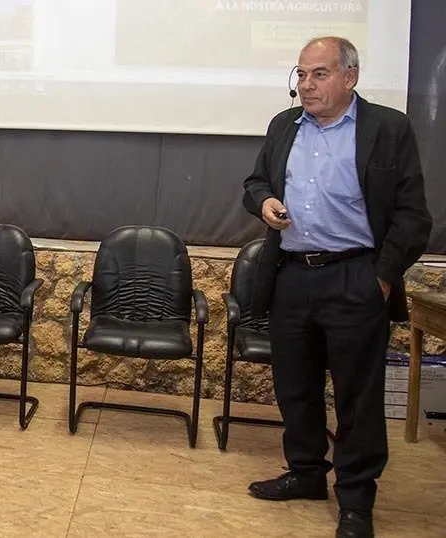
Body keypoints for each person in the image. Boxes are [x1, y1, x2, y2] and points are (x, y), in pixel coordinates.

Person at [242, 37, 431, 538]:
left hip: (356, 275)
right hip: (292, 276)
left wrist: (383, 276)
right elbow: (255, 182)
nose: (307, 85)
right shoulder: (284, 126)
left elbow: (413, 217)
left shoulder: (387, 128)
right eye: (301, 74)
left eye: (319, 74)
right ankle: (306, 474)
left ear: (350, 76)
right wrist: (263, 204)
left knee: (356, 395)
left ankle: (356, 500)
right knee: (295, 388)